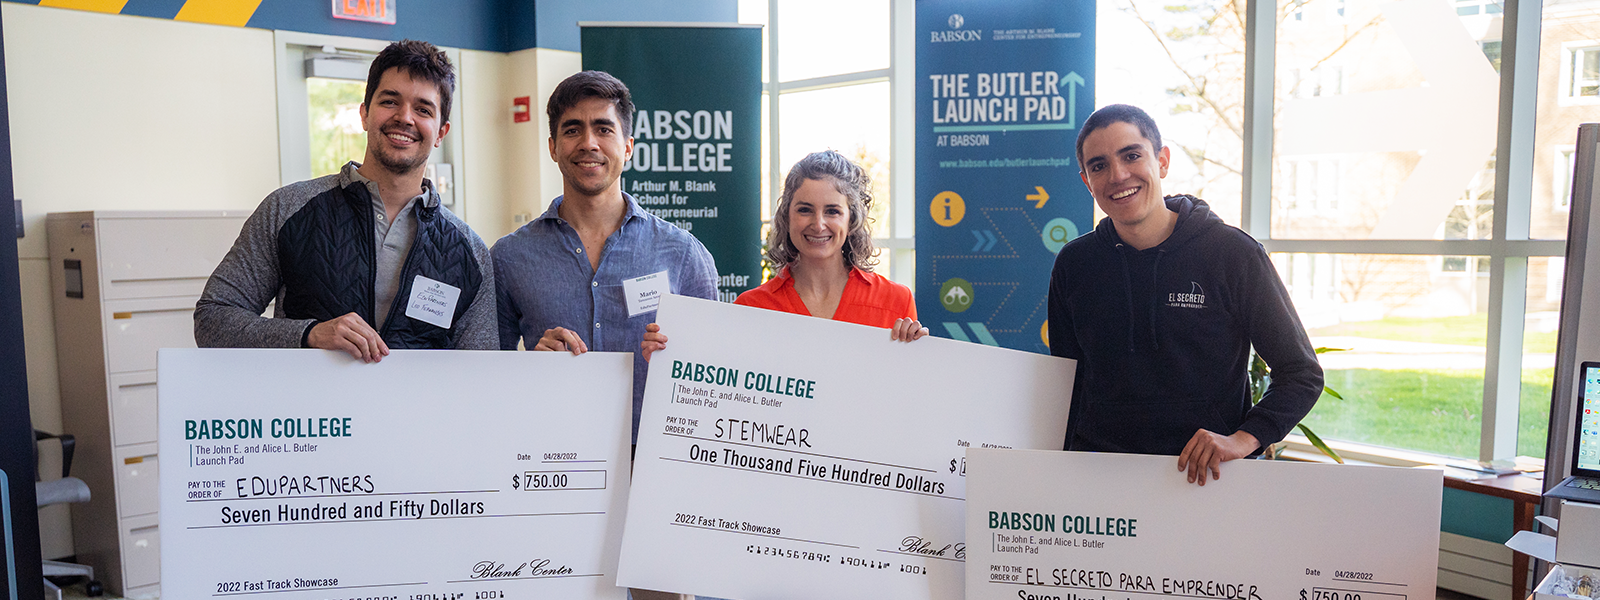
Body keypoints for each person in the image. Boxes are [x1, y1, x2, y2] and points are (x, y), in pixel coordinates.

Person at [1047, 104, 1323, 485]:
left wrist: (1242, 440)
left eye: (1131, 156)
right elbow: (1063, 382)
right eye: (1099, 166)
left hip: (1206, 483)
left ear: (1162, 161)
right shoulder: (1074, 264)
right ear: (1086, 182)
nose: (1118, 175)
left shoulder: (1232, 253)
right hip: (1100, 483)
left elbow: (1301, 374)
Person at [196, 39, 494, 360]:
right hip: (312, 410)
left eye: (423, 109)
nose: (405, 118)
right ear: (365, 114)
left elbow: (480, 368)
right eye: (389, 101)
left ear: (441, 133)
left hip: (416, 411)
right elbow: (213, 319)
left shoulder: (469, 250)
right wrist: (308, 334)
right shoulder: (288, 209)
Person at [492, 70, 719, 444]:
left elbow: (715, 371)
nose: (588, 143)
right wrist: (530, 366)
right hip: (551, 462)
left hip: (654, 466)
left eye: (603, 129)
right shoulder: (510, 256)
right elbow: (484, 374)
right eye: (572, 130)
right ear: (552, 146)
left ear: (628, 146)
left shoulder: (682, 254)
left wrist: (681, 356)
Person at [642, 150, 926, 362]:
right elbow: (728, 395)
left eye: (832, 211)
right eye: (804, 209)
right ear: (786, 217)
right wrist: (668, 359)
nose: (818, 224)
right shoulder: (752, 307)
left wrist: (920, 357)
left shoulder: (895, 301)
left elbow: (910, 399)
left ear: (852, 219)